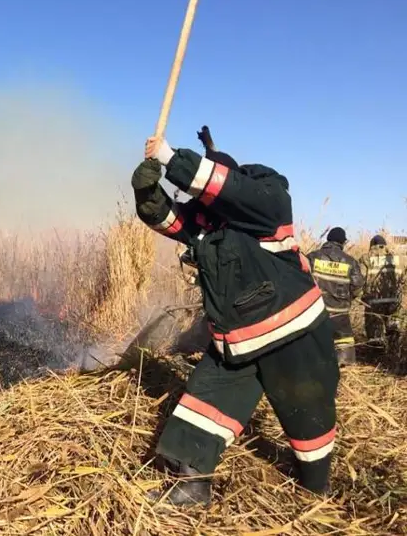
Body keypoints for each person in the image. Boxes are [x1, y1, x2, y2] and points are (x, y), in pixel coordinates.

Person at [131, 125, 338, 506]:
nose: (201, 205)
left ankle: (316, 489)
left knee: (309, 418)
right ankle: (193, 485)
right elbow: (172, 221)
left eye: (204, 190)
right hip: (238, 340)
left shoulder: (266, 202)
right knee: (202, 405)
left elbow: (227, 188)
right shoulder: (208, 226)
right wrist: (148, 193)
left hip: (293, 333)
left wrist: (170, 157)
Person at [306, 227, 364, 365]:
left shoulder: (312, 257)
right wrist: (347, 299)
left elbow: (302, 280)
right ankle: (345, 366)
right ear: (342, 243)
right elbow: (357, 285)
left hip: (316, 310)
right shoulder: (350, 261)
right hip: (340, 311)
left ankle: (314, 364)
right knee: (344, 339)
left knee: (314, 340)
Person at [360, 235, 405, 350]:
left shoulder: (366, 258)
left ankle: (377, 359)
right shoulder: (399, 258)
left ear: (371, 246)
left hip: (374, 302)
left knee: (375, 336)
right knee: (394, 331)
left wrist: (362, 297)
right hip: (395, 301)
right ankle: (394, 357)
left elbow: (360, 280)